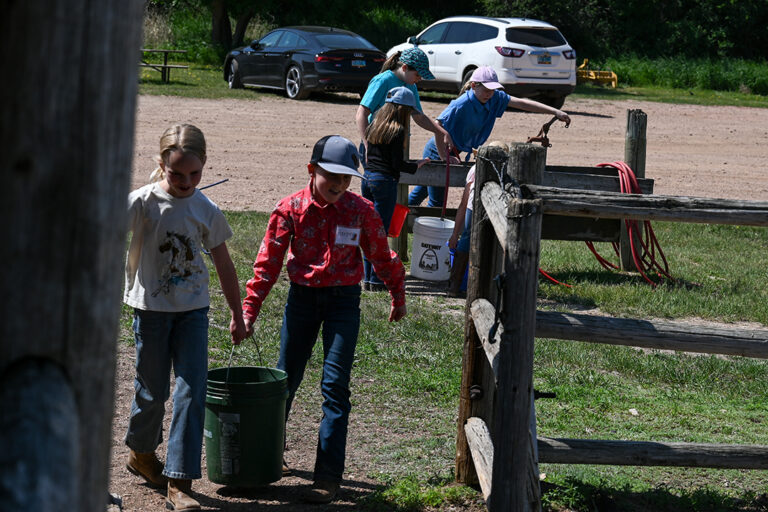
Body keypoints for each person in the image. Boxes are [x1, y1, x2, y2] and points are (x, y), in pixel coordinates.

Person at [242, 135, 407, 504]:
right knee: (285, 380)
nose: (339, 184)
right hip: (302, 300)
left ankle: (327, 477)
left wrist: (397, 294)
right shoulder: (290, 210)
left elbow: (382, 256)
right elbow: (267, 265)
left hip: (343, 304)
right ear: (312, 170)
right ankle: (267, 458)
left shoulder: (361, 211)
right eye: (331, 174)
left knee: (335, 387)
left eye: (347, 178)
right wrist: (249, 310)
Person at [123, 124, 246, 511]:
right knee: (152, 392)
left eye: (194, 174)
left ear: (204, 165)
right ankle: (142, 454)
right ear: (161, 164)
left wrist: (237, 314)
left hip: (193, 312)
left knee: (192, 392)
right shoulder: (142, 202)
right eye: (176, 173)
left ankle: (180, 480)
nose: (185, 182)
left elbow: (225, 265)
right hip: (152, 312)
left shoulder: (205, 209)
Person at [408, 65, 571, 208]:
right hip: (438, 150)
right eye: (486, 90)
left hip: (454, 151)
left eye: (493, 90)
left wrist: (554, 111)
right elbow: (438, 126)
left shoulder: (495, 98)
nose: (490, 93)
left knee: (421, 191)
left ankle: (399, 221)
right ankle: (431, 237)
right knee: (437, 202)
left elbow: (521, 103)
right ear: (473, 86)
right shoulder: (461, 104)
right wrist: (444, 157)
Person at [361, 86, 430, 291]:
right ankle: (377, 279)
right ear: (404, 110)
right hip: (384, 182)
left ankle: (367, 277)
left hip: (367, 179)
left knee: (369, 230)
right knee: (381, 232)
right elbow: (396, 164)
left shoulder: (374, 125)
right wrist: (416, 165)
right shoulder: (397, 131)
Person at [355, 47, 454, 164]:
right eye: (417, 74)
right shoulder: (382, 81)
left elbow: (419, 117)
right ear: (404, 68)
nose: (420, 79)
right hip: (375, 144)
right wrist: (368, 146)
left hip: (395, 145)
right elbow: (361, 113)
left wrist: (442, 132)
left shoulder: (411, 85)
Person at [446, 142, 509, 297]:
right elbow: (464, 202)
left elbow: (464, 201)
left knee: (467, 240)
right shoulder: (504, 170)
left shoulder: (475, 169)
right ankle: (477, 287)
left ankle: (456, 285)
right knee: (480, 241)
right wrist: (455, 234)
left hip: (474, 207)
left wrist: (455, 234)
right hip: (484, 207)